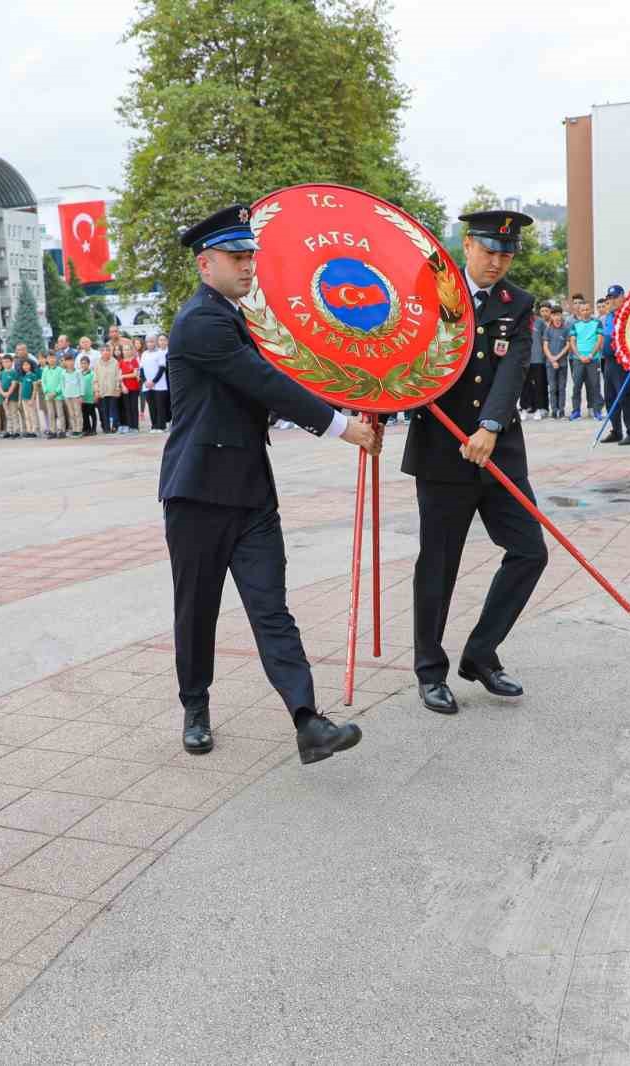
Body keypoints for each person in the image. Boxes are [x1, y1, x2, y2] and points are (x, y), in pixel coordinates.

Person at [160, 203, 373, 763]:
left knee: (271, 608)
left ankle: (308, 722)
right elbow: (264, 382)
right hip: (199, 493)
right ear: (206, 264)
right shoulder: (202, 321)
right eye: (237, 257)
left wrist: (352, 393)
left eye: (251, 255)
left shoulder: (239, 317)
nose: (248, 264)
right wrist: (340, 426)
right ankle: (195, 708)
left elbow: (286, 375)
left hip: (250, 493)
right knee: (197, 608)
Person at [404, 208, 548, 715]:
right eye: (489, 251)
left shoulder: (518, 303)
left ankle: (481, 653)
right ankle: (430, 671)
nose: (497, 262)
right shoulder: (433, 293)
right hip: (442, 454)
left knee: (530, 552)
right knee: (439, 565)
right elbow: (404, 357)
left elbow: (511, 370)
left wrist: (489, 427)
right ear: (467, 245)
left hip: (499, 453)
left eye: (506, 254)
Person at [599, 285, 630, 444]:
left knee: (626, 397)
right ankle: (616, 430)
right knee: (610, 398)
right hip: (608, 362)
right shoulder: (609, 316)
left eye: (615, 297)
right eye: (610, 297)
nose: (612, 300)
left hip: (622, 362)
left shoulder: (629, 315)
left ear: (623, 296)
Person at [570, 291, 606, 421]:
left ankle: (597, 411)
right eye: (582, 310)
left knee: (595, 386)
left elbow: (599, 340)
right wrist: (579, 356)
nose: (585, 311)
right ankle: (576, 411)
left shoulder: (597, 323)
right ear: (579, 311)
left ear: (591, 310)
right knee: (577, 386)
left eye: (587, 309)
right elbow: (572, 342)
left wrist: (591, 355)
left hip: (593, 360)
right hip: (578, 360)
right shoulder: (575, 325)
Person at [542, 304, 571, 419]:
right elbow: (545, 346)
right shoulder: (548, 330)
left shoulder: (566, 329)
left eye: (559, 315)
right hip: (550, 364)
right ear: (552, 316)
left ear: (561, 315)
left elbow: (568, 345)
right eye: (554, 315)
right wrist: (552, 359)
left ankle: (561, 410)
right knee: (552, 388)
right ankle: (553, 410)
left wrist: (557, 357)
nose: (557, 317)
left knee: (562, 387)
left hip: (562, 363)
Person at [142, 333, 170, 432]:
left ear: (155, 342)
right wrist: (145, 381)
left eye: (152, 341)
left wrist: (154, 381)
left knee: (160, 406)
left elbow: (162, 368)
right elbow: (141, 369)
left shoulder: (160, 353)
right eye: (148, 342)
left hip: (159, 385)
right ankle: (154, 425)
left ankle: (161, 426)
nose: (150, 343)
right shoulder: (144, 354)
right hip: (147, 386)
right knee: (152, 406)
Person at [95, 342, 122, 434]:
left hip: (112, 390)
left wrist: (118, 388)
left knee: (113, 410)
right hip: (102, 391)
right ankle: (106, 427)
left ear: (110, 352)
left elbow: (118, 376)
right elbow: (95, 378)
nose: (106, 352)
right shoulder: (97, 363)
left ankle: (114, 426)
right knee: (104, 410)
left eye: (108, 350)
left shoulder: (115, 362)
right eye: (103, 351)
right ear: (100, 352)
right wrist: (96, 390)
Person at [118, 339, 141, 433]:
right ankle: (129, 425)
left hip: (134, 387)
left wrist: (123, 376)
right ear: (122, 351)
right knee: (127, 407)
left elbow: (135, 374)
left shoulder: (134, 361)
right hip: (125, 389)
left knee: (134, 407)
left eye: (128, 349)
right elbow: (119, 376)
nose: (126, 351)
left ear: (131, 351)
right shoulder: (121, 362)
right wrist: (123, 386)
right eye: (125, 350)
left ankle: (135, 426)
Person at [41, 351, 65, 438]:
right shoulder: (45, 370)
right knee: (51, 413)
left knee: (60, 413)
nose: (51, 359)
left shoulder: (60, 370)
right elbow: (43, 381)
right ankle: (52, 430)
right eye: (49, 358)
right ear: (47, 359)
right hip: (48, 396)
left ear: (56, 359)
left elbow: (62, 382)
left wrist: (56, 392)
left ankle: (62, 430)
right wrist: (46, 391)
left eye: (53, 357)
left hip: (57, 395)